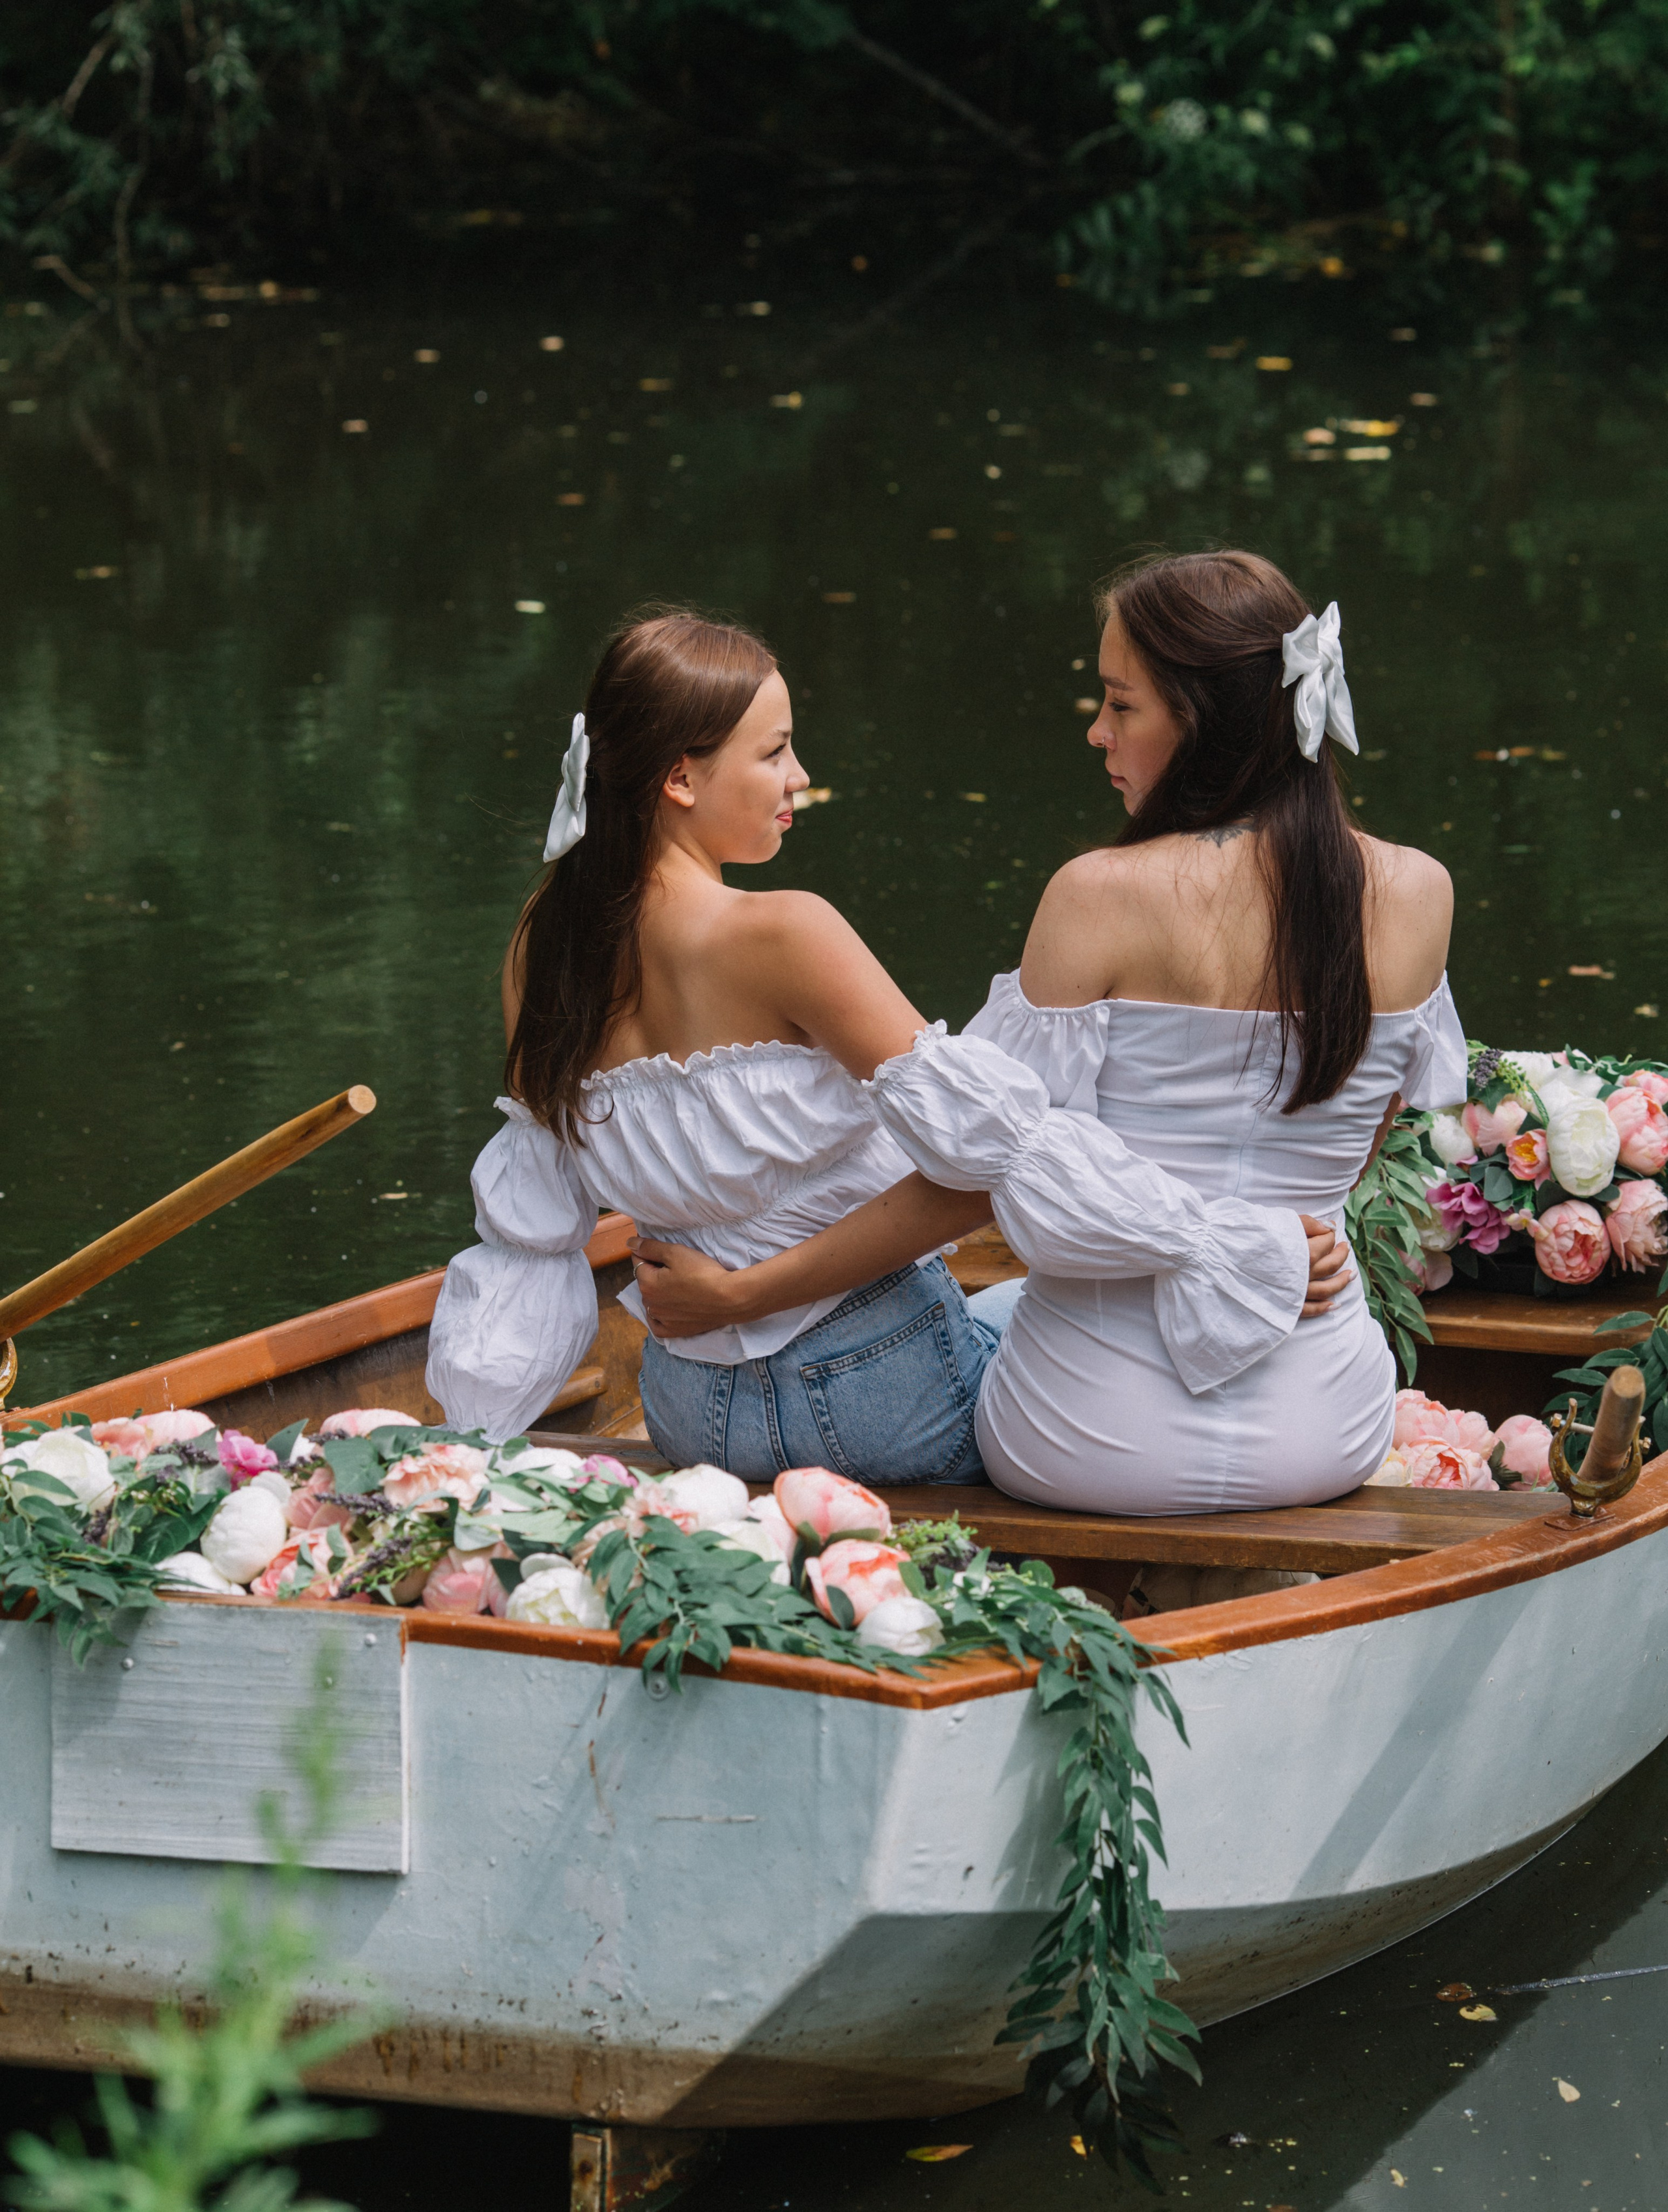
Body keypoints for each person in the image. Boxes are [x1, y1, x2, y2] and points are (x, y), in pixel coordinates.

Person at [424, 603, 1349, 1476]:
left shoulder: (540, 947)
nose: (799, 778)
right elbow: (996, 1157)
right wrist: (1222, 1244)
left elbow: (530, 1240)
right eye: (776, 753)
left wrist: (467, 1444)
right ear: (679, 777)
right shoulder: (786, 933)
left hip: (690, 1411)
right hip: (874, 1392)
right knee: (1103, 1341)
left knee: (1017, 1302)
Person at [632, 553, 1461, 1512]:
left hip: (1088, 1444)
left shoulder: (1095, 897)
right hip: (1326, 1432)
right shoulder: (1420, 892)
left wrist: (744, 1294)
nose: (1097, 730)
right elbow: (1360, 1150)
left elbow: (970, 1170)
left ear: (1204, 720)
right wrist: (1266, 1228)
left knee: (968, 1320)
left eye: (1122, 704)